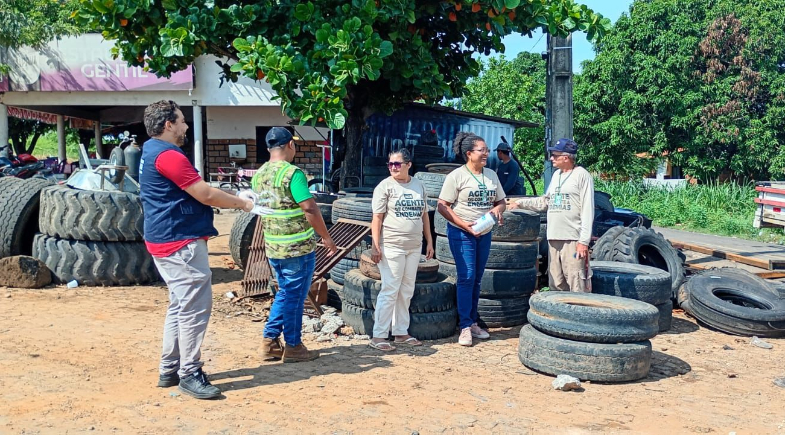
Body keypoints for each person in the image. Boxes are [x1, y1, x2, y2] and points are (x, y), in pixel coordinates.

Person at [139, 100, 255, 400]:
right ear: (168, 124)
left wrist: (232, 194)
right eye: (181, 121)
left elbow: (198, 189)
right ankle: (189, 372)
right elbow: (204, 194)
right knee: (193, 308)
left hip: (165, 239)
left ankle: (170, 368)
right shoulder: (168, 156)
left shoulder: (151, 151)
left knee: (179, 305)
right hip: (180, 242)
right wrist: (243, 203)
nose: (186, 126)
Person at [253, 127, 337, 363]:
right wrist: (326, 237)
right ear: (290, 144)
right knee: (294, 298)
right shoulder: (293, 174)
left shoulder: (259, 175)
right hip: (297, 249)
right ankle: (293, 346)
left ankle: (270, 342)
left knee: (286, 293)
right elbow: (309, 207)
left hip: (273, 247)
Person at [437, 132, 506, 347]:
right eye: (481, 150)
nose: (486, 153)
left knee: (477, 277)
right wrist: (463, 224)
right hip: (462, 232)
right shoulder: (456, 176)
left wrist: (497, 211)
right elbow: (442, 205)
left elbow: (502, 201)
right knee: (466, 276)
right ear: (469, 154)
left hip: (484, 232)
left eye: (486, 150)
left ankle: (473, 321)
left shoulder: (492, 175)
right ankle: (465, 326)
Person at [368, 149, 434, 351]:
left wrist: (429, 242)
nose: (393, 168)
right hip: (392, 246)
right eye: (390, 164)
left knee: (406, 290)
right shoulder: (385, 187)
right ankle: (379, 335)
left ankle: (400, 332)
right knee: (390, 289)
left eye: (397, 164)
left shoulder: (418, 185)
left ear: (408, 165)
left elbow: (424, 216)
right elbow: (377, 218)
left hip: (414, 247)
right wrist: (375, 245)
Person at [508, 138, 594, 292]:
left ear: (566, 157)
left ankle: (578, 314)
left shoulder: (582, 175)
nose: (551, 158)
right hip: (554, 238)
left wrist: (583, 241)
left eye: (555, 155)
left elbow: (588, 210)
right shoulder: (556, 176)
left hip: (573, 240)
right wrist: (520, 203)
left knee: (576, 282)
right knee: (556, 283)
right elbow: (546, 202)